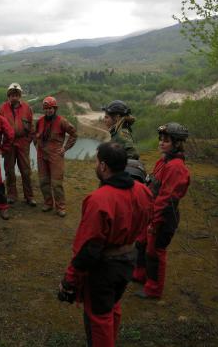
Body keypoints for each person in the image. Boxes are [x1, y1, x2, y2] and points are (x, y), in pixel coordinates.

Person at [58, 142, 153, 346]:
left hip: (105, 268)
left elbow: (89, 248)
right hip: (129, 260)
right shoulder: (143, 191)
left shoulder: (99, 199)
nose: (95, 164)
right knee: (112, 305)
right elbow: (147, 220)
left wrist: (69, 280)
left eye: (96, 161)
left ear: (103, 166)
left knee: (98, 317)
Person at [134, 123, 190, 299]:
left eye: (166, 140)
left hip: (163, 219)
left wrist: (154, 222)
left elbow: (166, 200)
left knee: (154, 252)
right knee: (141, 243)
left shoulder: (176, 167)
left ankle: (153, 289)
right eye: (160, 139)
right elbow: (153, 186)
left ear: (177, 143)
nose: (161, 143)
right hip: (152, 214)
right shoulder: (163, 161)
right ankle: (140, 274)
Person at [34, 96, 77, 217]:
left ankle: (60, 207)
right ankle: (48, 203)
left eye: (51, 108)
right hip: (41, 155)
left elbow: (74, 134)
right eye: (46, 108)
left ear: (55, 108)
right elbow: (35, 134)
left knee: (56, 183)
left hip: (55, 156)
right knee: (43, 181)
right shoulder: (40, 121)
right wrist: (36, 145)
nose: (48, 110)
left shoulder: (62, 121)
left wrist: (65, 148)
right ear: (44, 109)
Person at [0, 82, 36, 206]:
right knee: (9, 170)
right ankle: (11, 195)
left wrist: (28, 141)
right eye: (12, 95)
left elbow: (31, 126)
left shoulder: (27, 108)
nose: (14, 97)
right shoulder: (3, 108)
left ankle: (29, 196)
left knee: (25, 170)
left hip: (22, 142)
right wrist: (0, 145)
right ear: (8, 96)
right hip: (8, 143)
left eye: (16, 94)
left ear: (19, 95)